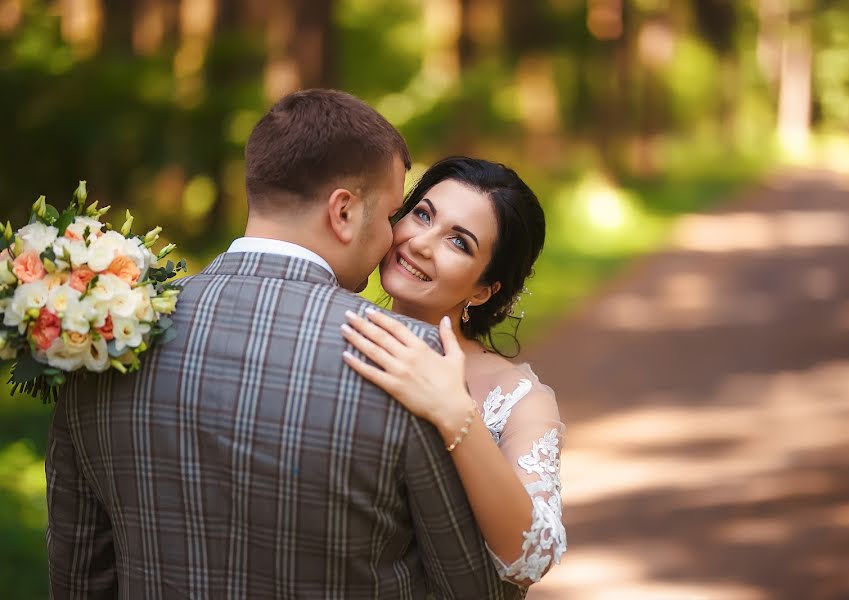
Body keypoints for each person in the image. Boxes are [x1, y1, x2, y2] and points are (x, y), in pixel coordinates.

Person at [45, 91, 524, 599]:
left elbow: (77, 577)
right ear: (343, 212)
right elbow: (471, 587)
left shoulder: (105, 329)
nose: (395, 239)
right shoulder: (406, 358)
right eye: (390, 216)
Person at [340, 157, 566, 587]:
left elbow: (532, 556)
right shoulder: (335, 328)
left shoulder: (520, 399)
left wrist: (454, 412)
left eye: (458, 242)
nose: (421, 244)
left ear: (483, 290)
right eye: (422, 214)